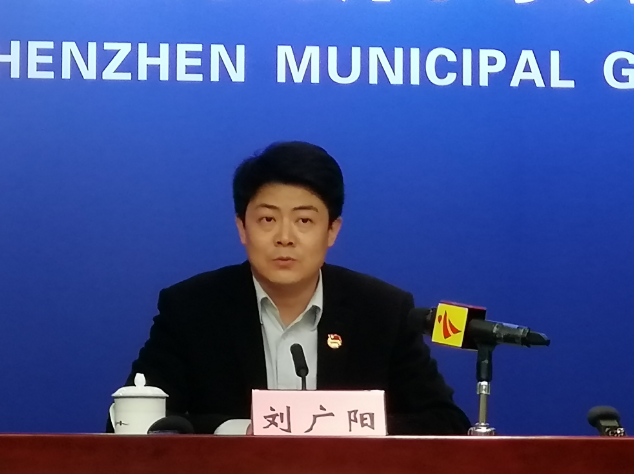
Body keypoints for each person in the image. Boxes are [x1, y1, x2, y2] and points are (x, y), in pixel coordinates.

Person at [110, 141, 470, 435]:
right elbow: (134, 423)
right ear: (242, 228)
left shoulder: (382, 311)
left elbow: (445, 423)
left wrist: (339, 429)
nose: (285, 237)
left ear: (332, 231)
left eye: (304, 220)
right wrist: (243, 431)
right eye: (268, 219)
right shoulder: (191, 309)